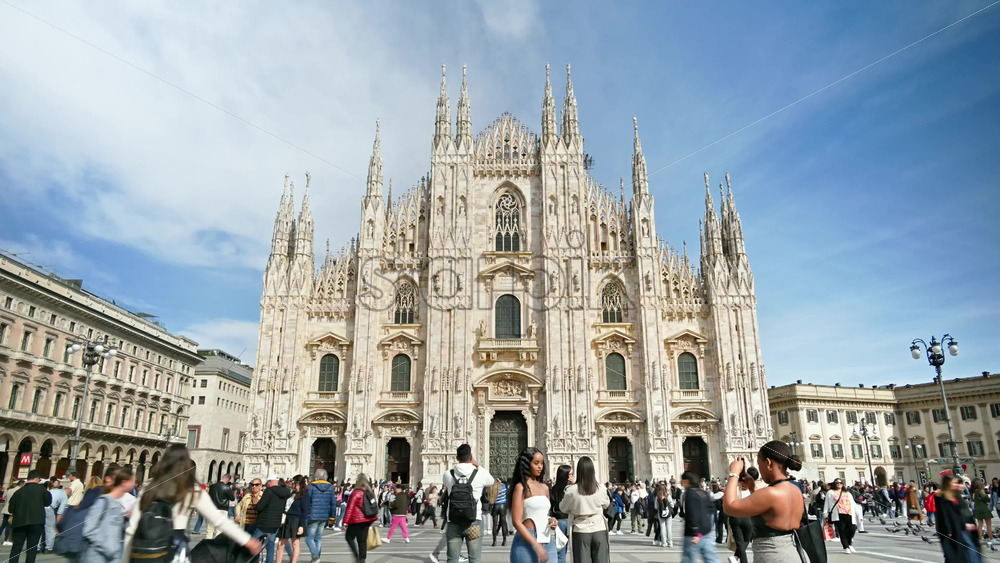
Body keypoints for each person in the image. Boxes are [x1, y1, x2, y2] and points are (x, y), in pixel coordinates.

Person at [123, 445, 260, 563]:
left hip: (145, 547)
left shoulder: (149, 488)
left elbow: (132, 528)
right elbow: (219, 520)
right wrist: (246, 540)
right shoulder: (190, 490)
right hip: (174, 549)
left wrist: (124, 559)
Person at [722, 441, 805, 562]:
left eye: (759, 463)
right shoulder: (795, 489)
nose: (759, 469)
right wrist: (752, 488)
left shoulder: (771, 493)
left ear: (768, 463)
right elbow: (770, 510)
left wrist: (733, 474)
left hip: (772, 557)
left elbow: (729, 507)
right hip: (794, 553)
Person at [442, 443, 495, 563]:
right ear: (471, 457)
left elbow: (445, 484)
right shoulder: (480, 473)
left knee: (452, 559)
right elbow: (491, 481)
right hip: (474, 521)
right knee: (475, 559)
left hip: (454, 521)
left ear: (457, 458)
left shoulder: (448, 474)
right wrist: (478, 465)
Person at [508, 447, 557, 563]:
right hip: (526, 540)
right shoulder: (521, 488)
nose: (540, 466)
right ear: (527, 464)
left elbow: (546, 514)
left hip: (547, 539)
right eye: (536, 463)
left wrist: (551, 520)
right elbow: (516, 522)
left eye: (541, 463)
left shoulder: (545, 488)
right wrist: (536, 545)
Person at [80, 467, 136, 563]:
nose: (134, 484)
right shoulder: (103, 501)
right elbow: (88, 529)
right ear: (123, 482)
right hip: (97, 558)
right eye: (131, 481)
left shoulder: (117, 504)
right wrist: (109, 547)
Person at [560, 457, 609, 563]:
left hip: (580, 530)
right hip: (599, 528)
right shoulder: (601, 488)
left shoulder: (571, 490)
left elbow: (563, 508)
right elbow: (606, 504)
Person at [6, 470, 51, 563]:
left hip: (19, 522)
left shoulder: (18, 491)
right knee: (32, 548)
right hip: (36, 522)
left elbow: (11, 509)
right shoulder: (42, 490)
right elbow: (48, 503)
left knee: (16, 547)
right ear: (37, 479)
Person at [936, 474, 982, 563]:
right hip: (954, 530)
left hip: (961, 528)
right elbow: (944, 516)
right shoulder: (942, 497)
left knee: (964, 552)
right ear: (948, 484)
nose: (957, 485)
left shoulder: (955, 496)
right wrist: (949, 529)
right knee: (960, 553)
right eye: (954, 483)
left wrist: (969, 523)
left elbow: (962, 513)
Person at [677, 471, 717, 563]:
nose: (681, 482)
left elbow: (692, 513)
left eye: (682, 480)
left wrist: (696, 532)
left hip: (693, 534)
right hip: (706, 532)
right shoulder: (702, 492)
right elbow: (711, 508)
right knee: (711, 559)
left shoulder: (690, 494)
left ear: (687, 481)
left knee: (687, 559)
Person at [253, 474, 293, 563]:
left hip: (264, 522)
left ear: (270, 482)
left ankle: (253, 561)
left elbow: (260, 507)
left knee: (253, 543)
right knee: (270, 547)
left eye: (267, 482)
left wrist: (255, 504)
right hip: (275, 523)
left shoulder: (269, 491)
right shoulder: (286, 492)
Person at [341, 473, 377, 563]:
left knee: (349, 537)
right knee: (362, 540)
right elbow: (373, 506)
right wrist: (373, 518)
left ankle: (357, 557)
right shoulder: (369, 492)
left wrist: (345, 522)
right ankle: (362, 559)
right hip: (366, 520)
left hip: (356, 520)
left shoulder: (356, 492)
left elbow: (350, 508)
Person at [726, 467, 758, 563]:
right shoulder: (753, 489)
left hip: (735, 517)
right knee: (746, 540)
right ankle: (735, 557)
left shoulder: (734, 487)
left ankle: (736, 557)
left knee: (740, 544)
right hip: (747, 517)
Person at [305, 469, 337, 563]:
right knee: (318, 538)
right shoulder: (330, 487)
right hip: (324, 516)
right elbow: (333, 503)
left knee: (309, 538)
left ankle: (315, 556)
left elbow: (307, 502)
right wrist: (332, 517)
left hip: (312, 515)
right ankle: (317, 557)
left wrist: (305, 514)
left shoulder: (311, 487)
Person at [822, 477, 859, 554]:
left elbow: (853, 504)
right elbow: (827, 503)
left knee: (852, 529)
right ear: (834, 484)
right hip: (838, 514)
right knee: (842, 531)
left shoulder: (847, 493)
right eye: (837, 483)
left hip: (849, 513)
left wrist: (858, 514)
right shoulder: (831, 492)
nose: (839, 484)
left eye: (840, 483)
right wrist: (825, 513)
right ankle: (846, 547)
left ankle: (849, 543)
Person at [277, 476, 307, 563]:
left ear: (300, 484)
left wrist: (301, 525)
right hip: (287, 519)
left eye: (296, 483)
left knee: (295, 544)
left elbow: (305, 511)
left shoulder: (304, 495)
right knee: (280, 544)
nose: (294, 485)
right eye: (293, 483)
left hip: (296, 520)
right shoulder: (291, 493)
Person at [549, 465, 572, 563]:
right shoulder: (571, 489)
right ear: (566, 475)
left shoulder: (554, 489)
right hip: (571, 520)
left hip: (559, 521)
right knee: (576, 551)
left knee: (561, 550)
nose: (572, 476)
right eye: (571, 474)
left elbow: (551, 506)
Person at [43, 477, 68, 553]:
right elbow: (60, 511)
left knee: (39, 528)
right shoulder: (63, 494)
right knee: (50, 529)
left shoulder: (50, 491)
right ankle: (48, 548)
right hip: (49, 508)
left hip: (40, 507)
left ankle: (36, 547)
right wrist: (57, 525)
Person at [207, 474, 236, 539]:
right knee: (219, 529)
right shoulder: (226, 487)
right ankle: (217, 544)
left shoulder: (212, 486)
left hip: (212, 509)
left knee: (210, 529)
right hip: (223, 509)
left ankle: (207, 543)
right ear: (228, 480)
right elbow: (232, 498)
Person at [653, 483, 675, 548]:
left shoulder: (657, 497)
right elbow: (672, 505)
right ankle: (670, 542)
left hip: (661, 514)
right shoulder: (668, 496)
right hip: (668, 514)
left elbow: (656, 507)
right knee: (669, 528)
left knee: (662, 528)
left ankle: (664, 543)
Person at [971, 478, 992, 544]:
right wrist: (988, 496)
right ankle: (991, 537)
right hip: (984, 509)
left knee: (980, 524)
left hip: (977, 509)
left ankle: (980, 537)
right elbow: (986, 499)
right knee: (988, 524)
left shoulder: (972, 492)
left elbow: (973, 500)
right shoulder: (980, 491)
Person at [491, 481, 509, 546]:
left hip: (495, 506)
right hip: (503, 505)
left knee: (494, 524)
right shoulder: (504, 486)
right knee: (503, 523)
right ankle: (504, 541)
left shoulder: (494, 487)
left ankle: (494, 541)